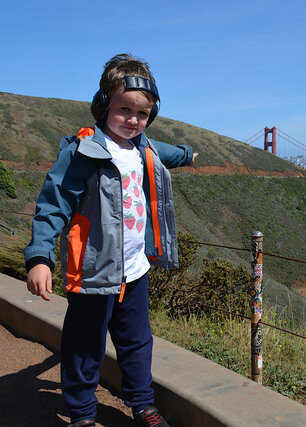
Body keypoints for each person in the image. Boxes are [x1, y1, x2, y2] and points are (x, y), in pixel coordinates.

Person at [24, 53, 197, 427]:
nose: (133, 120)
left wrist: (189, 155)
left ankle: (143, 405)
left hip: (135, 271)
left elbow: (166, 151)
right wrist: (39, 257)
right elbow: (52, 205)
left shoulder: (142, 146)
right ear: (102, 106)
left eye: (143, 114)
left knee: (137, 343)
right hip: (92, 274)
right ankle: (83, 416)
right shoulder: (80, 153)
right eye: (124, 110)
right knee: (84, 348)